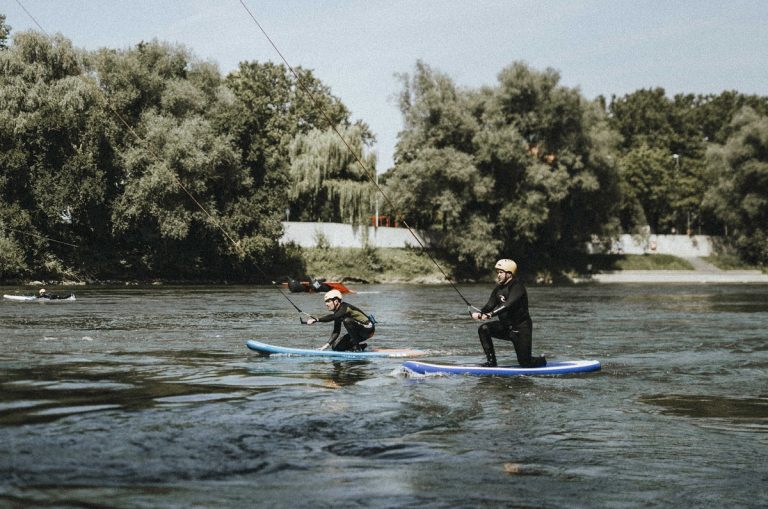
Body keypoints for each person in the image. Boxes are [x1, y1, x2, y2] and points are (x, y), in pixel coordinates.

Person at [471, 259, 546, 368]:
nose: (498, 275)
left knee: (525, 363)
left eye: (501, 272)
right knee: (483, 329)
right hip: (505, 327)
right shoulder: (498, 290)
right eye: (497, 272)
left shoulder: (517, 287)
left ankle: (542, 360)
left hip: (520, 329)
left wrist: (490, 315)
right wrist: (479, 313)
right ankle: (491, 362)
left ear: (509, 274)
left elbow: (508, 305)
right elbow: (489, 306)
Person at [306, 290, 375, 351]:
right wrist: (325, 346)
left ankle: (357, 347)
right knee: (335, 347)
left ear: (336, 301)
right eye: (325, 302)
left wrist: (317, 319)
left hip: (368, 329)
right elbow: (336, 331)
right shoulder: (337, 313)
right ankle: (360, 346)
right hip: (358, 333)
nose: (326, 304)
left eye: (328, 301)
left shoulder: (344, 308)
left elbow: (333, 317)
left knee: (347, 321)